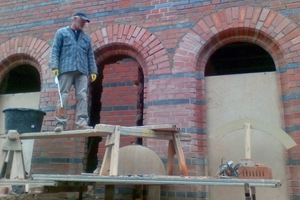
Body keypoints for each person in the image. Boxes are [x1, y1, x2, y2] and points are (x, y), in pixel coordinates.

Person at [49, 12, 98, 132]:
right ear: (75, 19)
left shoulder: (87, 38)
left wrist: (93, 71)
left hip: (82, 70)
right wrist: (54, 66)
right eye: (82, 21)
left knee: (82, 96)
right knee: (63, 95)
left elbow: (90, 56)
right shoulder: (62, 33)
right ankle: (60, 123)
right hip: (65, 68)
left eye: (85, 22)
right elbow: (55, 50)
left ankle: (81, 122)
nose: (83, 23)